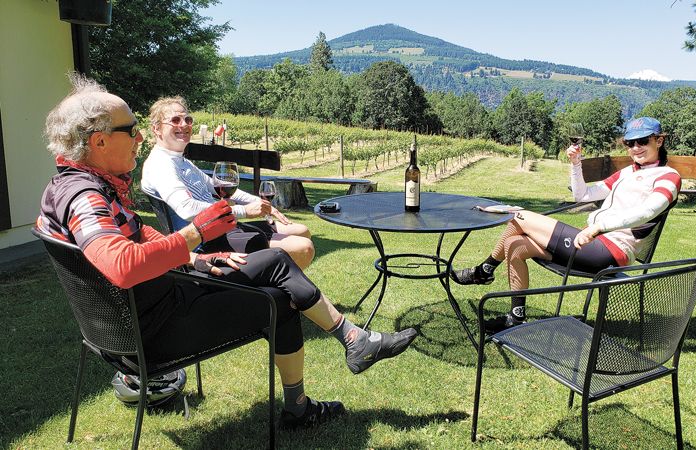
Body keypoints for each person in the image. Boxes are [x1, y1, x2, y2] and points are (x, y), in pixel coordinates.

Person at [37, 75, 417, 430]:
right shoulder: (85, 197)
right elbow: (122, 265)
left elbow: (142, 238)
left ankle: (352, 341)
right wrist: (196, 234)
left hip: (143, 315)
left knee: (275, 261)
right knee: (279, 300)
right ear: (98, 141)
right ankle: (312, 392)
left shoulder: (76, 186)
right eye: (130, 130)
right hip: (153, 331)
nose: (138, 138)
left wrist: (197, 257)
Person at [451, 117, 681, 333]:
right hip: (590, 244)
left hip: (610, 252)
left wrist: (600, 227)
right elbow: (583, 195)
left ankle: (484, 270)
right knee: (515, 244)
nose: (635, 148)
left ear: (659, 140)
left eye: (643, 141)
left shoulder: (668, 177)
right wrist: (575, 164)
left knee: (517, 215)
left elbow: (648, 210)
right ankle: (516, 317)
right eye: (630, 143)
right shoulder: (627, 173)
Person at [141, 96, 315, 269]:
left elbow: (217, 187)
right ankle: (275, 285)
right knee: (303, 248)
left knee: (302, 230)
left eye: (188, 119)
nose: (184, 124)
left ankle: (283, 282)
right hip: (207, 240)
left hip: (223, 227)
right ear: (157, 129)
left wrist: (257, 202)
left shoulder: (181, 160)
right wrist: (243, 211)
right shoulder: (161, 164)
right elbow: (187, 209)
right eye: (175, 120)